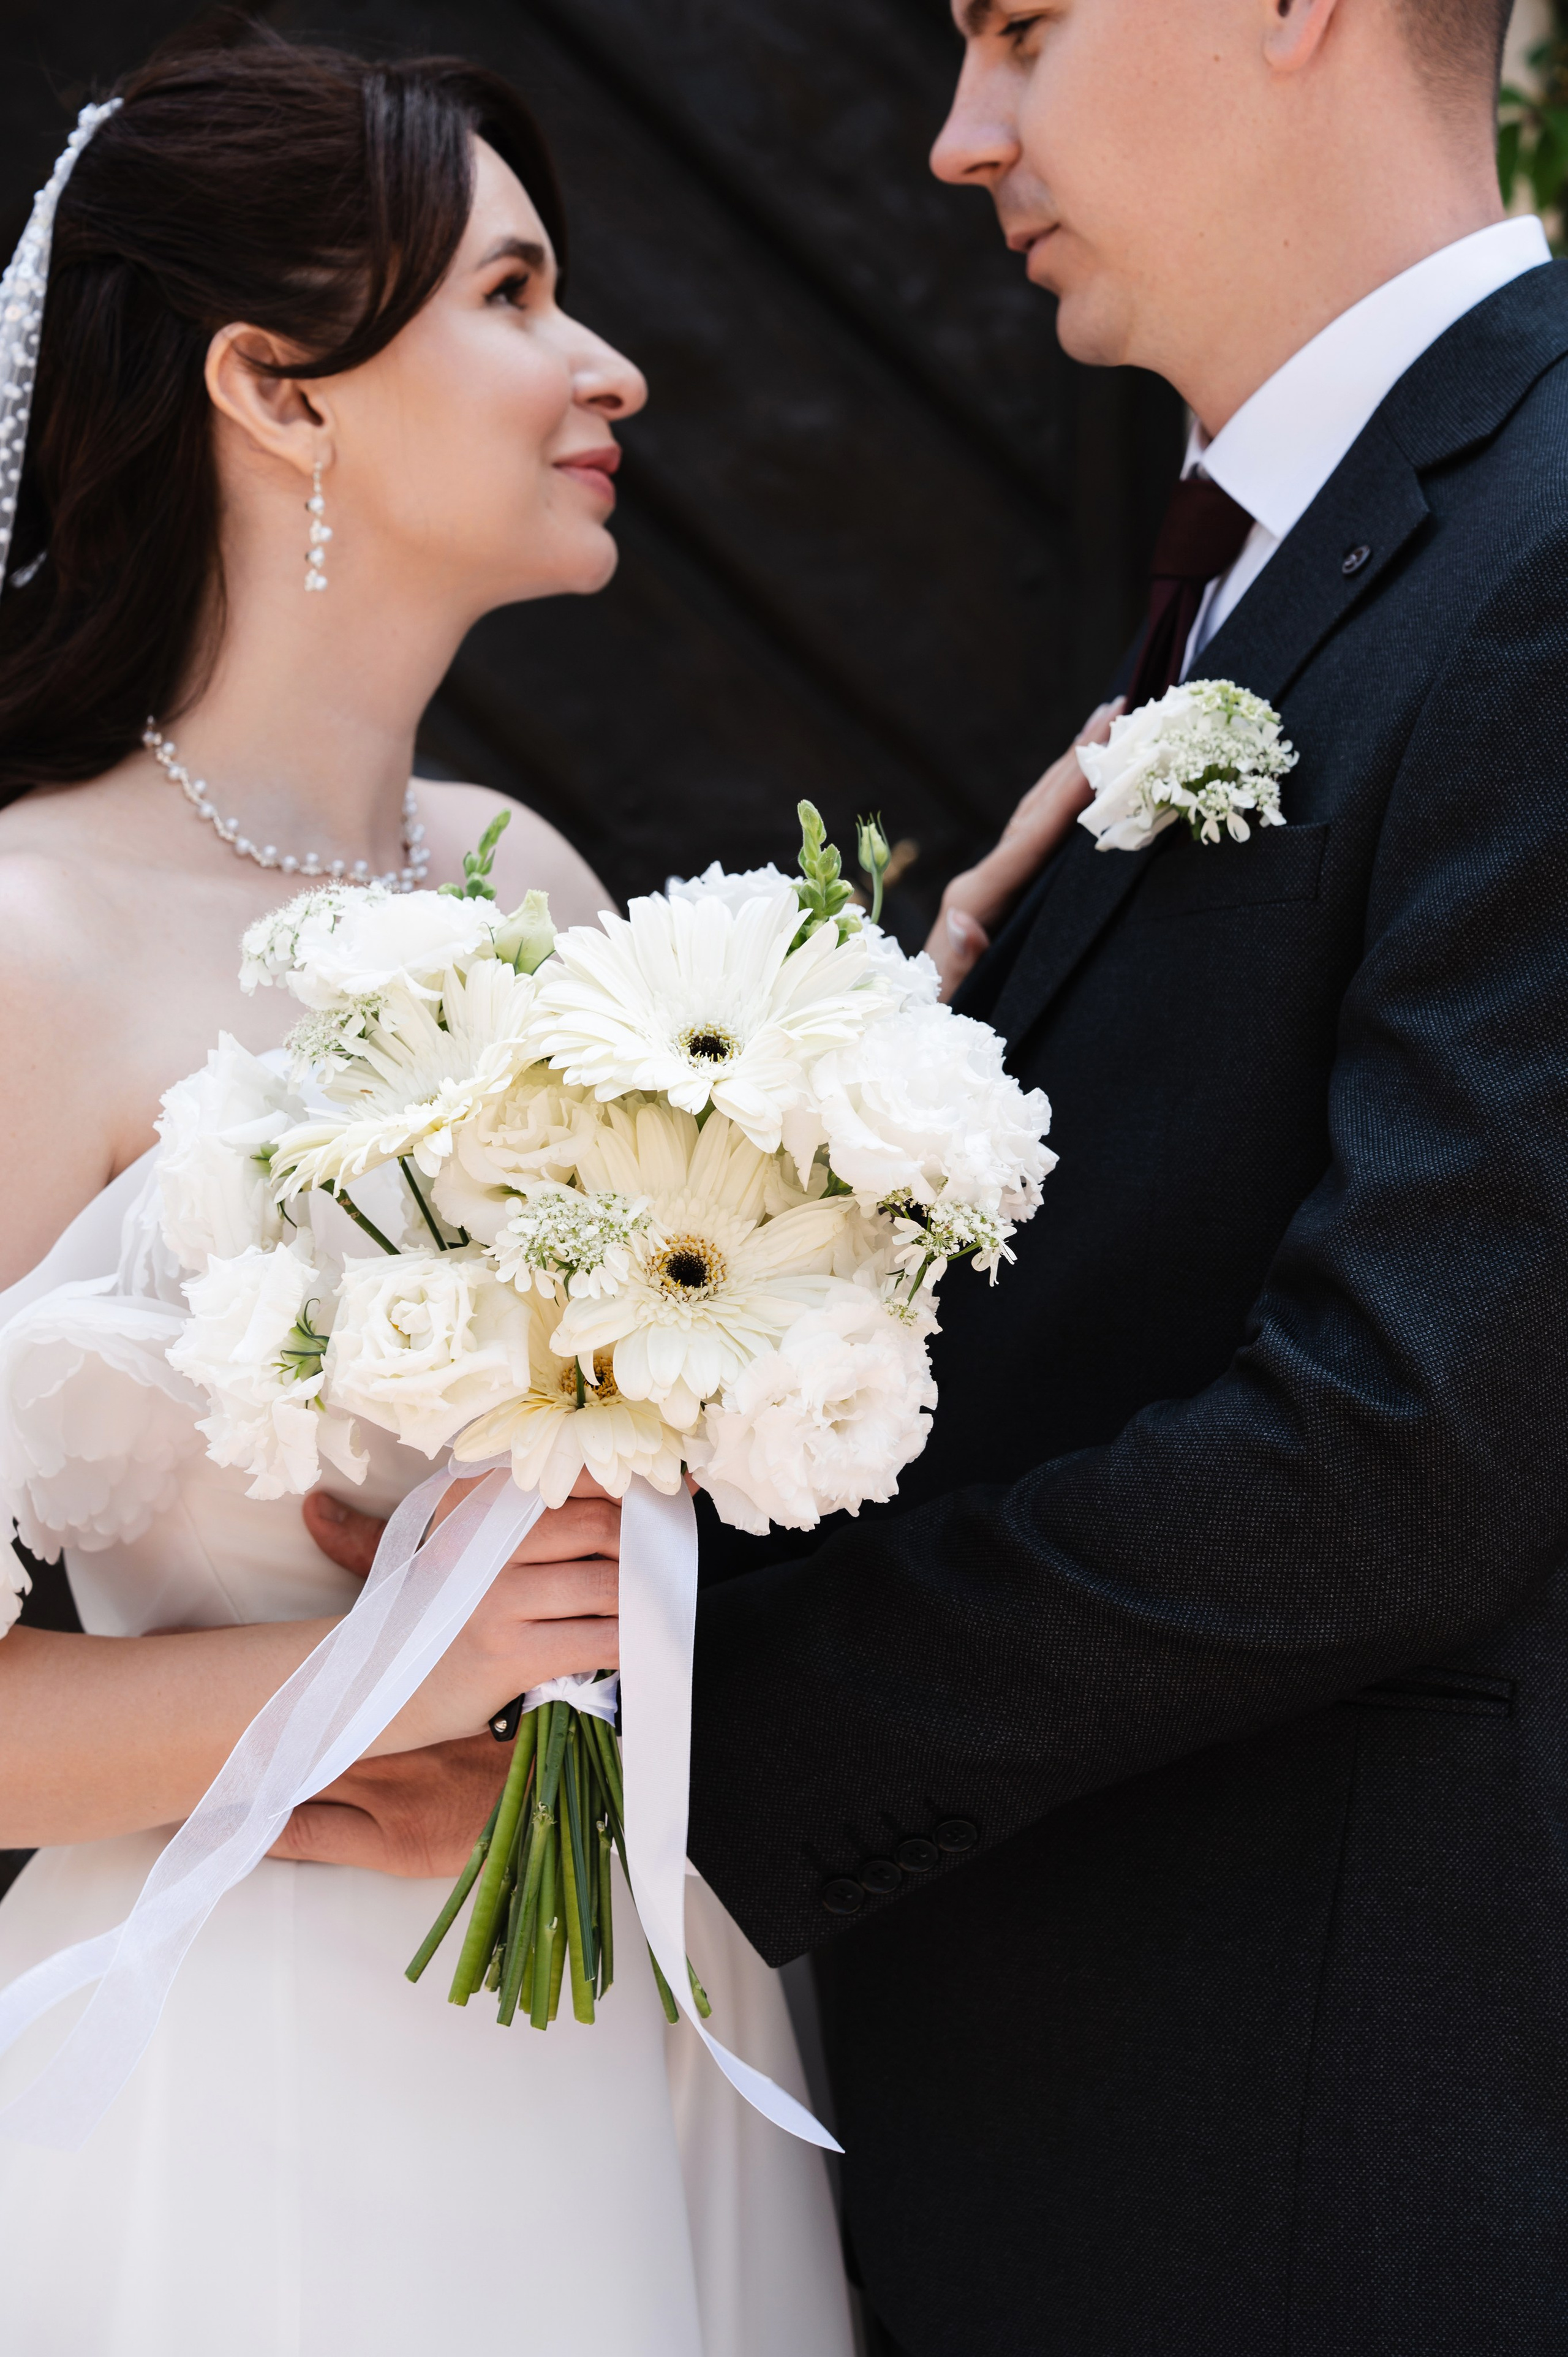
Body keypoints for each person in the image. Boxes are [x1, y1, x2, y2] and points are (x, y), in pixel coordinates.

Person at [677, 0, 1568, 2351]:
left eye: (1023, 28)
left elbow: (1404, 1446)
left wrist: (696, 1743)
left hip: (1325, 2184)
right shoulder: (1323, 549)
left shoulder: (1553, 540)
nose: (965, 142)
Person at [0, 28, 852, 2356]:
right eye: (514, 292)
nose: (613, 367)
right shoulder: (27, 941)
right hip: (238, 2046)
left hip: (600, 2006)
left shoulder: (526, 880)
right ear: (279, 391)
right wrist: (391, 1673)